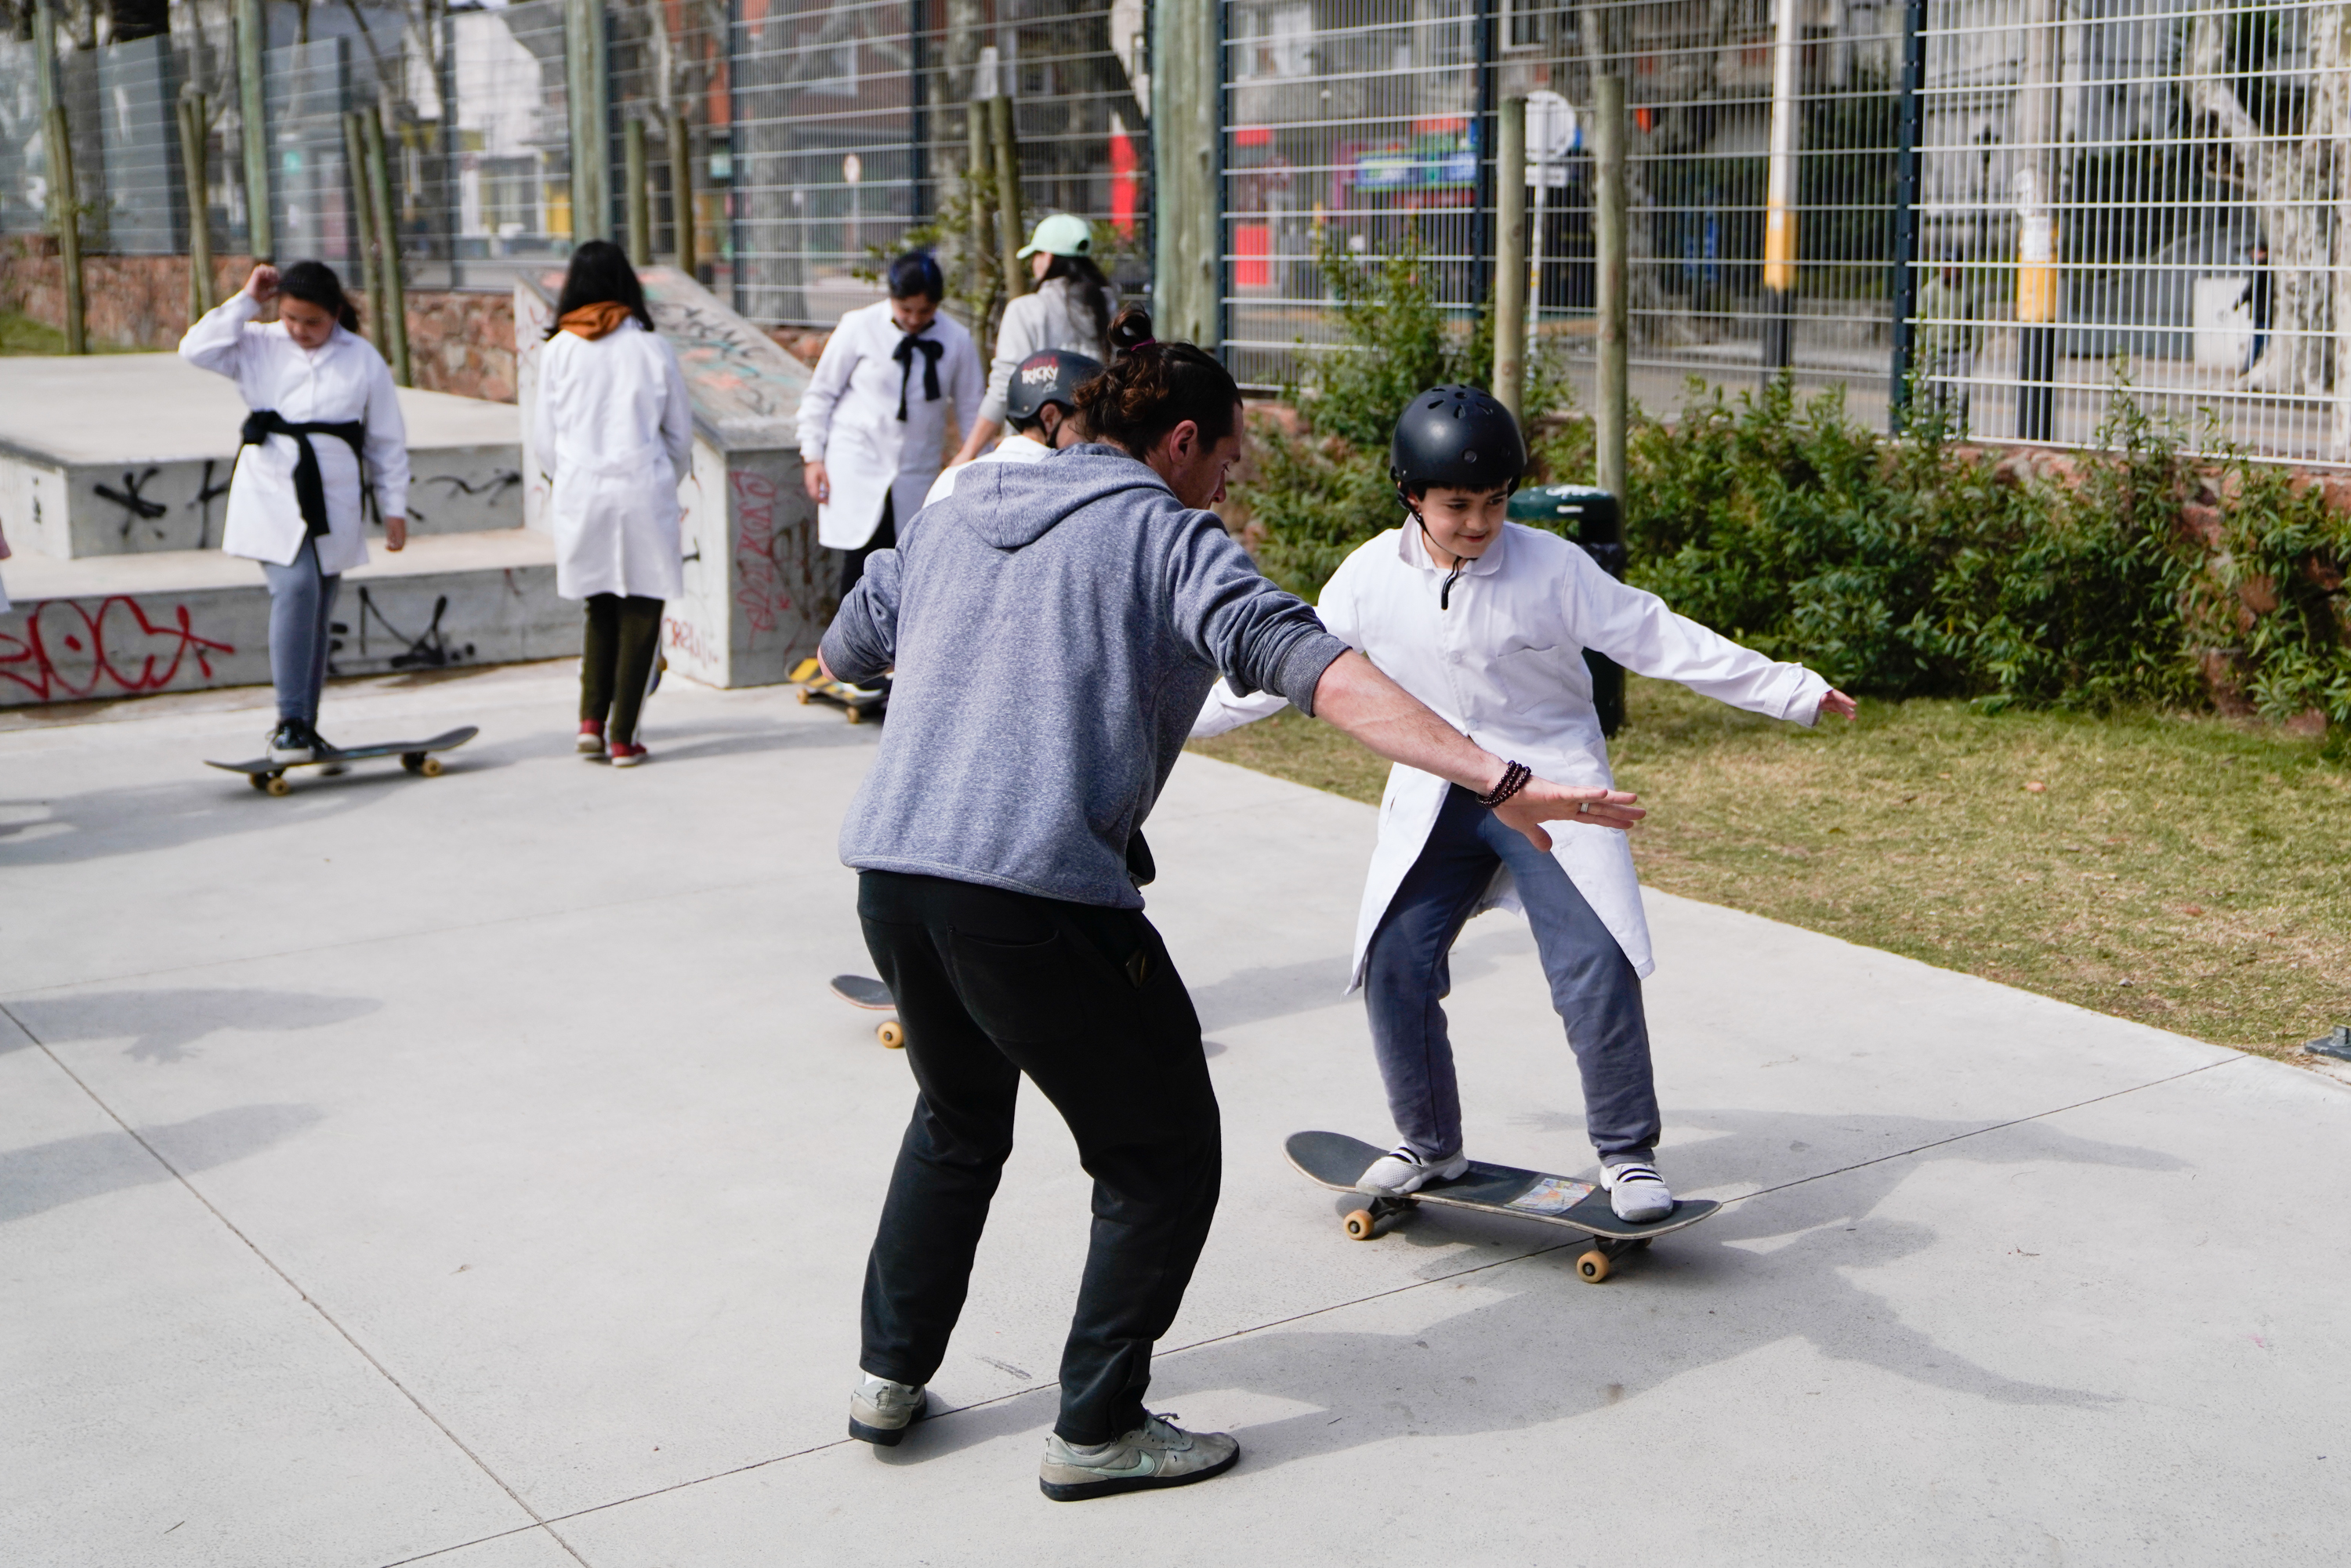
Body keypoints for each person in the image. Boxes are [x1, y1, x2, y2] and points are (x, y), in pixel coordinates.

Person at [819, 314, 1640, 1499]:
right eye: (1228, 458)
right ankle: (1096, 1427)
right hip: (1039, 896)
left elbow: (847, 647)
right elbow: (1327, 673)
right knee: (1161, 1158)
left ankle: (887, 1377)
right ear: (1184, 441)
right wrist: (1500, 776)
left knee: (956, 1122)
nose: (1231, 482)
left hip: (894, 882)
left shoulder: (956, 510)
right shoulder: (1166, 537)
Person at [1196, 386, 1855, 1220]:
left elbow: (1659, 636)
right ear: (1411, 496)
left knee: (1594, 963)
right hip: (1441, 791)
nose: (1478, 522)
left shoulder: (1551, 568)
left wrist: (1789, 690)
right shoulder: (1367, 578)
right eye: (1457, 504)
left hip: (1549, 791)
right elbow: (1286, 668)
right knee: (1396, 964)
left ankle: (1627, 1154)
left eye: (1495, 502)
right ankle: (1429, 1144)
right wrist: (1170, 721)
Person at [181, 261, 410, 764]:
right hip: (271, 486)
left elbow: (387, 439)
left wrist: (395, 506)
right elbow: (194, 348)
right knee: (297, 587)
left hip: (334, 492)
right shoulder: (258, 343)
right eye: (291, 319)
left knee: (320, 608)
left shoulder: (362, 358)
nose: (301, 332)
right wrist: (247, 300)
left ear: (335, 315)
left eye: (313, 322)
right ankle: (288, 721)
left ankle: (306, 725)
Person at [532, 239, 694, 768]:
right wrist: (662, 480)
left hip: (582, 488)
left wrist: (570, 478)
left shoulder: (557, 349)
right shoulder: (651, 348)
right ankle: (623, 735)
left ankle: (588, 722)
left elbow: (543, 439)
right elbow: (679, 436)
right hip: (641, 485)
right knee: (642, 608)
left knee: (598, 602)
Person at [796, 252, 983, 611]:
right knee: (859, 565)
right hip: (857, 463)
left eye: (924, 312)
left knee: (909, 567)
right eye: (905, 310)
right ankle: (849, 662)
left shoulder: (957, 339)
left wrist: (979, 464)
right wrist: (813, 456)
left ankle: (896, 664)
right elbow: (821, 393)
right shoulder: (858, 326)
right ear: (891, 299)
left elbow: (972, 409)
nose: (914, 320)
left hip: (916, 471)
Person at [947, 213, 1114, 467]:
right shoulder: (1109, 307)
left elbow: (1004, 386)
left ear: (1047, 257)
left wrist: (967, 453)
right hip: (1098, 451)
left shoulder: (1026, 310)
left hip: (1035, 455)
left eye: (1036, 255)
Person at [919, 347, 1101, 509]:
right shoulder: (1076, 488)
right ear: (1050, 418)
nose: (1096, 435)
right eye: (1089, 422)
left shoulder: (949, 479)